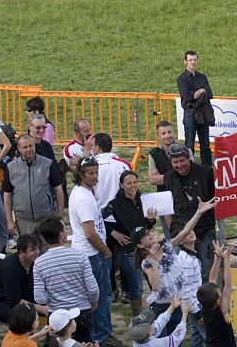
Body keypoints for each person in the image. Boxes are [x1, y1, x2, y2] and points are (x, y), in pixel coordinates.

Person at [133, 196, 219, 338]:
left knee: (176, 339)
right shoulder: (146, 263)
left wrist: (199, 212)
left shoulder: (167, 247)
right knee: (162, 340)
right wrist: (154, 260)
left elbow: (185, 231)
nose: (150, 234)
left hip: (176, 304)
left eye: (149, 232)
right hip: (160, 308)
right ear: (140, 245)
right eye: (145, 235)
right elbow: (155, 287)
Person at [68, 157, 121, 347]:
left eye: (96, 172)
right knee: (101, 297)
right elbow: (90, 233)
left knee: (93, 298)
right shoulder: (83, 198)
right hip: (92, 254)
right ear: (81, 175)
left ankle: (96, 334)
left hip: (87, 252)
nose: (95, 176)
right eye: (91, 173)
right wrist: (107, 252)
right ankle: (102, 336)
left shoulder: (82, 192)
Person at [34, 215, 99, 344]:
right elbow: (92, 288)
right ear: (61, 235)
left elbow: (39, 298)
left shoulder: (39, 263)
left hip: (56, 316)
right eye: (64, 228)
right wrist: (93, 302)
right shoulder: (80, 255)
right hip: (82, 312)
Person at [102, 170, 156, 316]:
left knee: (154, 284)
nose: (133, 186)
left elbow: (146, 227)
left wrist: (151, 221)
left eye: (135, 182)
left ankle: (156, 315)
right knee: (137, 288)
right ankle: (138, 320)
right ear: (121, 185)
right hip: (127, 250)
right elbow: (98, 219)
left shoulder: (143, 200)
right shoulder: (115, 204)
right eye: (129, 183)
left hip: (145, 249)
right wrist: (113, 233)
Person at [3, 134, 64, 250]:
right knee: (28, 254)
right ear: (19, 149)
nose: (29, 149)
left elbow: (58, 190)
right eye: (25, 147)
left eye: (31, 146)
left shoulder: (47, 164)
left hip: (46, 219)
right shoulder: (11, 168)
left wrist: (59, 216)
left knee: (48, 253)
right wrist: (9, 220)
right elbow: (7, 195)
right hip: (23, 220)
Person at [164, 143, 216, 280]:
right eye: (175, 162)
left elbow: (217, 200)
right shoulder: (168, 177)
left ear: (189, 158)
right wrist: (172, 228)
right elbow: (166, 206)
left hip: (204, 231)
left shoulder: (206, 173)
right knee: (182, 272)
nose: (179, 165)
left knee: (206, 273)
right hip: (181, 234)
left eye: (182, 161)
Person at [92, 133, 132, 305]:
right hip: (122, 216)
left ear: (97, 148)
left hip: (102, 218)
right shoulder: (123, 164)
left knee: (106, 255)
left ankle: (112, 289)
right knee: (125, 255)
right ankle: (127, 290)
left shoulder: (92, 166)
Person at [147, 120, 193, 238]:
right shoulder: (153, 154)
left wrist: (161, 177)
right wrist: (177, 175)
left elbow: (189, 174)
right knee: (170, 235)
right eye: (163, 133)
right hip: (164, 199)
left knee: (188, 232)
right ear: (158, 136)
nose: (167, 136)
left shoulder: (186, 150)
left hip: (184, 197)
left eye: (169, 132)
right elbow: (152, 180)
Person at [169, 220, 206, 347]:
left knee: (197, 336)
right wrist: (197, 313)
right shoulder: (186, 262)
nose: (190, 233)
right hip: (194, 306)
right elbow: (185, 292)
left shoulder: (191, 256)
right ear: (179, 241)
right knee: (210, 338)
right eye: (185, 233)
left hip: (194, 303)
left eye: (190, 229)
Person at [0, 234, 47, 322]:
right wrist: (42, 309)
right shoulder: (9, 267)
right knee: (24, 317)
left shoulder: (35, 263)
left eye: (38, 248)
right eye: (32, 250)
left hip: (24, 297)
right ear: (21, 252)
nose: (37, 252)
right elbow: (14, 300)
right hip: (2, 300)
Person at [176, 50, 214, 166]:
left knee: (205, 144)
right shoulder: (182, 78)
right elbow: (188, 97)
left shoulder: (202, 77)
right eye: (190, 60)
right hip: (190, 113)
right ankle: (189, 168)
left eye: (195, 60)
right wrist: (200, 92)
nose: (193, 62)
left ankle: (207, 169)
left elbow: (209, 94)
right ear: (185, 62)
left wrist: (195, 96)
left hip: (202, 112)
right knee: (189, 144)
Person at [196, 240, 236, 347]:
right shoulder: (222, 310)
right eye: (220, 292)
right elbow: (228, 285)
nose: (221, 291)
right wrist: (226, 260)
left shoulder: (205, 304)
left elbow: (212, 279)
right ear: (218, 301)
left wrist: (217, 258)